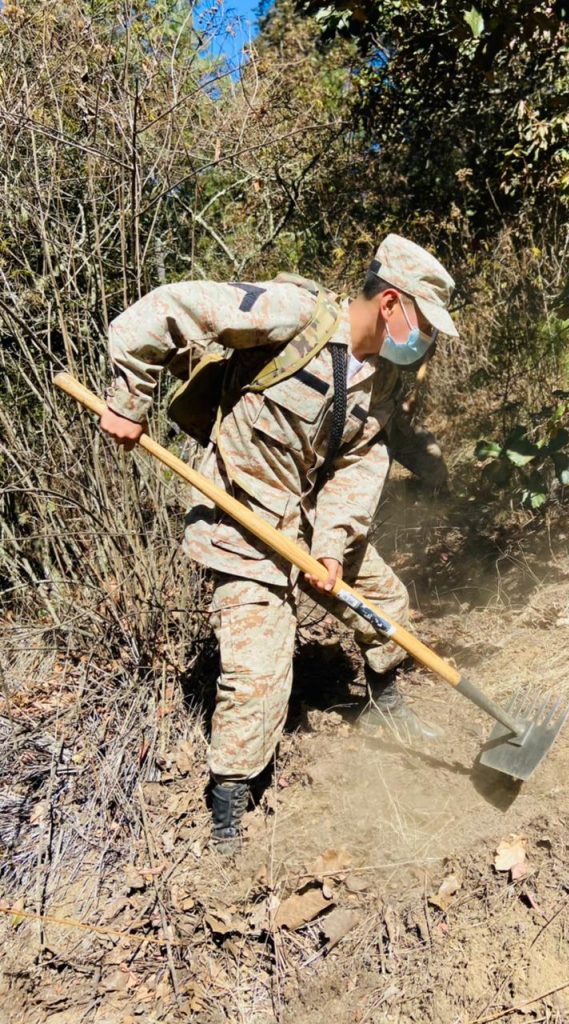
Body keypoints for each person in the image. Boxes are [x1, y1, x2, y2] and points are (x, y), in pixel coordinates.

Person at [99, 234, 459, 852]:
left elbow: (360, 461)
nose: (423, 340)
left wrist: (332, 545)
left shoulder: (384, 381)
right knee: (259, 674)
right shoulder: (292, 314)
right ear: (391, 303)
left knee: (385, 607)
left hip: (309, 515)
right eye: (423, 325)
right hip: (241, 515)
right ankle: (229, 805)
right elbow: (167, 308)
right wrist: (129, 399)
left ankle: (384, 700)